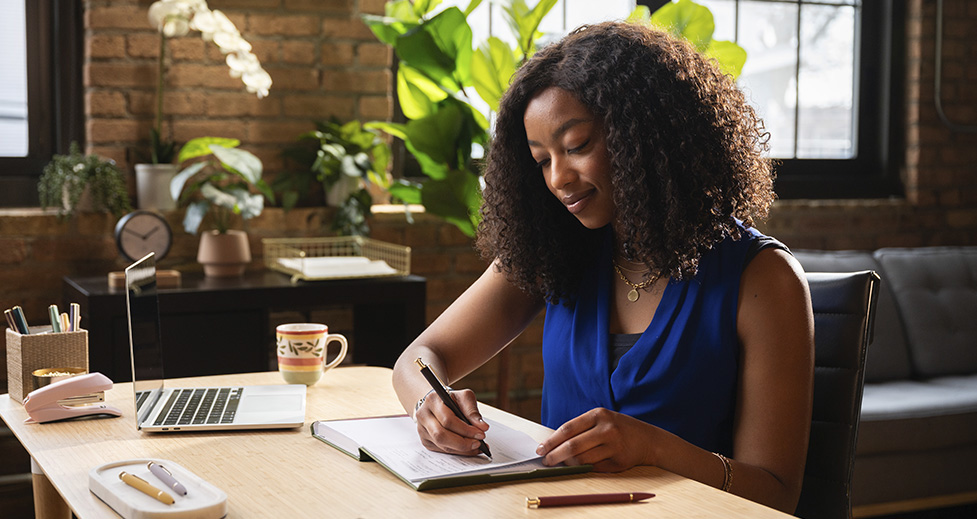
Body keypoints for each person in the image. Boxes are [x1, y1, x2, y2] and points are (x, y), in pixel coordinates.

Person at [392, 21, 814, 514]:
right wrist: (430, 405)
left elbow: (777, 493)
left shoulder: (763, 278)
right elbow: (419, 357)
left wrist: (654, 449)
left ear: (647, 137)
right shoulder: (555, 252)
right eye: (541, 160)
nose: (558, 179)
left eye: (576, 147)